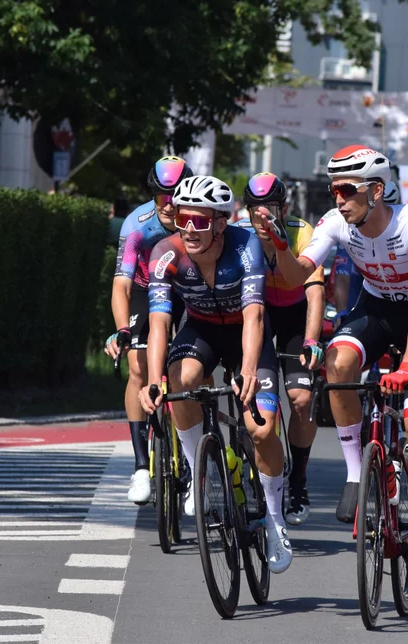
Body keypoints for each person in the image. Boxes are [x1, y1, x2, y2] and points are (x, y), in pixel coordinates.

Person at [250, 145, 408, 582]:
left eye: (346, 189)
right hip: (374, 311)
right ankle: (356, 473)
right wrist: (282, 245)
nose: (337, 198)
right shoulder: (336, 223)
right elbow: (299, 273)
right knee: (337, 366)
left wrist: (407, 368)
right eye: (333, 188)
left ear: (376, 191)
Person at [139, 175, 293, 574]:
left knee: (261, 430)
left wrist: (247, 371)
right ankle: (200, 471)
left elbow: (256, 315)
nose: (189, 228)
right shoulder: (164, 254)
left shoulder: (246, 248)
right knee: (181, 380)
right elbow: (159, 324)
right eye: (183, 218)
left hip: (246, 334)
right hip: (202, 330)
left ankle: (275, 518)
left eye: (201, 221)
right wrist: (154, 380)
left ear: (221, 223)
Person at [235, 173, 326, 525]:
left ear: (283, 208)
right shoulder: (239, 234)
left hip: (294, 316)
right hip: (256, 314)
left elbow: (315, 292)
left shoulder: (302, 231)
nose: (263, 218)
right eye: (256, 210)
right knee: (254, 398)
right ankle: (255, 465)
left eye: (270, 209)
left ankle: (298, 481)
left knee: (302, 401)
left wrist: (311, 340)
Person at [103, 155, 191, 505]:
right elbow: (121, 285)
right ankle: (141, 467)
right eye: (161, 198)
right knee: (138, 367)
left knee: (190, 370)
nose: (169, 206)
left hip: (187, 290)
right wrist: (122, 330)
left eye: (176, 196)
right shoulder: (136, 225)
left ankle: (195, 459)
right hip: (144, 289)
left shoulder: (197, 220)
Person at [332, 179, 400, 317]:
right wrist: (341, 311)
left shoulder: (403, 230)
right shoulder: (351, 233)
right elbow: (342, 275)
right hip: (359, 305)